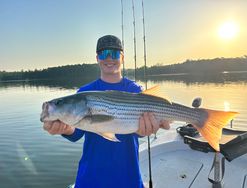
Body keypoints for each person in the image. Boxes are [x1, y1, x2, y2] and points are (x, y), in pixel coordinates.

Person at [43, 35, 170, 188]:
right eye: (103, 54)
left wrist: (145, 131)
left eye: (115, 53)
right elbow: (76, 133)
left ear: (122, 57)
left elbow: (137, 131)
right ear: (97, 58)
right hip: (90, 178)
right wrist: (64, 128)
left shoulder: (134, 90)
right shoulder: (84, 92)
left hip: (127, 177)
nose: (109, 58)